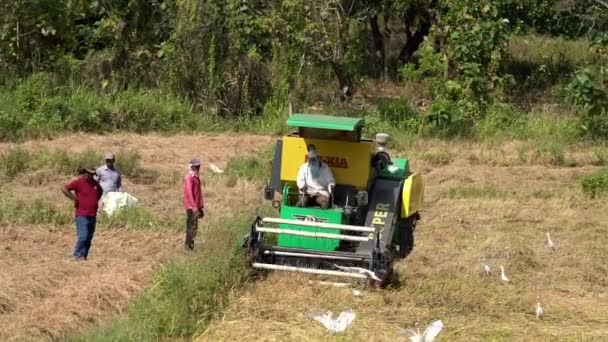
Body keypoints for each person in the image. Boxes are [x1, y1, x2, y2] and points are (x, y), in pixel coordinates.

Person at [61, 165, 103, 261]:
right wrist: (74, 199)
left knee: (88, 238)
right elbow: (64, 188)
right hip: (82, 214)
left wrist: (93, 202)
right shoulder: (79, 182)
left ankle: (83, 257)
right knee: (83, 237)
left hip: (92, 215)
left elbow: (99, 193)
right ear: (85, 172)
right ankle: (76, 256)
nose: (90, 175)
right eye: (89, 173)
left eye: (92, 174)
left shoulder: (96, 185)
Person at [296, 144, 336, 209]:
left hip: (321, 192)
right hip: (307, 192)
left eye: (314, 160)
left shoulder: (325, 167)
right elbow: (300, 180)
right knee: (301, 203)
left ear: (317, 158)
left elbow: (331, 181)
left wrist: (331, 186)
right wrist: (302, 187)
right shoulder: (304, 167)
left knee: (324, 204)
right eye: (311, 160)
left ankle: (322, 218)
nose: (313, 161)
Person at [183, 158, 205, 250]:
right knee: (191, 227)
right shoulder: (189, 177)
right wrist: (194, 207)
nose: (197, 168)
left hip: (195, 206)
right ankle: (189, 247)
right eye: (195, 166)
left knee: (194, 226)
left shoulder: (195, 177)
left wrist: (199, 207)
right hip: (191, 207)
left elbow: (197, 193)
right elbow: (189, 193)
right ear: (191, 166)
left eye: (198, 166)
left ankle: (191, 245)